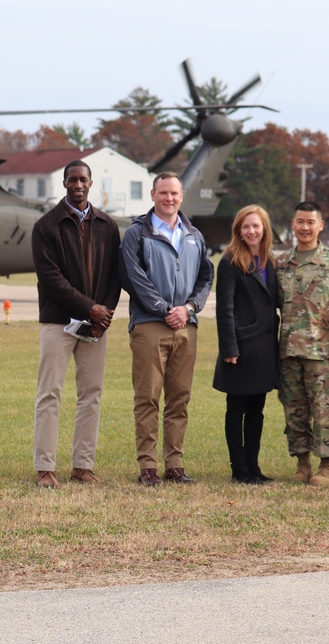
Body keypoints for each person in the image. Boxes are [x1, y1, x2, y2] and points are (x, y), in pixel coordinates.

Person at [30, 160, 121, 489]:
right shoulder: (46, 226)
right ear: (64, 183)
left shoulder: (107, 225)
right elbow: (51, 279)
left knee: (91, 394)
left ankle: (83, 466)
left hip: (96, 327)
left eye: (83, 179)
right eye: (72, 179)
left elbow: (115, 275)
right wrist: (90, 307)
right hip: (58, 323)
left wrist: (104, 315)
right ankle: (45, 468)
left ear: (91, 183)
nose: (77, 184)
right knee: (49, 394)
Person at [119, 171, 214, 486]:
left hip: (186, 326)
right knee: (147, 396)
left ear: (181, 196)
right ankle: (148, 466)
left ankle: (174, 465)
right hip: (149, 326)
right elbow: (133, 277)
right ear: (152, 195)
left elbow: (205, 278)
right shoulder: (137, 233)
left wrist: (188, 308)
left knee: (179, 398)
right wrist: (163, 310)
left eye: (174, 193)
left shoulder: (194, 235)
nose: (169, 198)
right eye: (163, 193)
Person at [275, 201, 329, 486]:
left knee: (325, 410)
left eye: (311, 222)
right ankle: (302, 463)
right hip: (289, 351)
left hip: (323, 352)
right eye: (300, 221)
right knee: (295, 410)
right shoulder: (281, 263)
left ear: (320, 225)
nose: (305, 227)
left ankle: (326, 465)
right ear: (293, 224)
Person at [212, 205, 280, 484]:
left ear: (265, 229)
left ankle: (253, 466)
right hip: (241, 348)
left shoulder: (271, 262)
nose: (251, 231)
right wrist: (229, 347)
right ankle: (239, 469)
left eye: (256, 226)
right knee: (236, 408)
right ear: (238, 231)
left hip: (265, 349)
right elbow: (224, 308)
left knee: (257, 410)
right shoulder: (230, 261)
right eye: (245, 227)